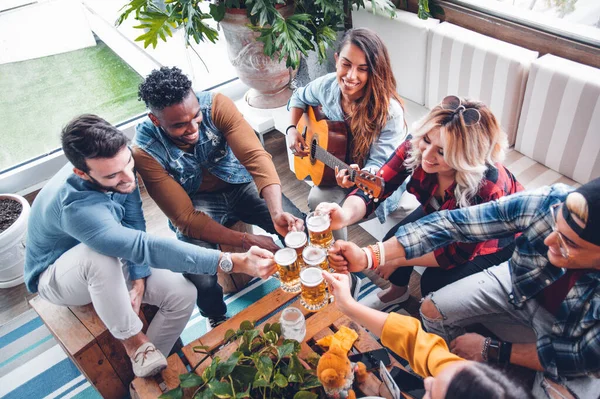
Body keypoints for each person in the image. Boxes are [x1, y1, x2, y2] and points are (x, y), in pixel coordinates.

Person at [24, 115, 277, 378]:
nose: (127, 177)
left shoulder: (119, 165)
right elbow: (143, 246)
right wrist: (231, 261)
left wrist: (138, 275)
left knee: (183, 293)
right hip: (59, 276)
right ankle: (135, 345)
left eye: (127, 164)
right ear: (81, 172)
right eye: (113, 175)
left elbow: (132, 219)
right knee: (97, 259)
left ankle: (149, 372)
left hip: (113, 254)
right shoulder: (76, 208)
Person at [329, 178, 600, 398]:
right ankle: (448, 383)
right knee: (432, 308)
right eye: (555, 224)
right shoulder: (552, 201)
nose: (549, 239)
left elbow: (573, 356)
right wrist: (370, 256)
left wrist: (491, 349)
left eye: (569, 244)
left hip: (570, 341)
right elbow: (456, 224)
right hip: (517, 284)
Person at [132, 67, 304, 326]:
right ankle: (216, 317)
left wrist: (277, 212)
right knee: (198, 272)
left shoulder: (216, 105)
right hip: (195, 202)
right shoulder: (144, 150)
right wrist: (245, 239)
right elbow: (186, 218)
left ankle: (311, 277)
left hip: (239, 182)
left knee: (298, 226)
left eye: (195, 116)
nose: (193, 128)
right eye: (179, 125)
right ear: (155, 120)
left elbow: (255, 158)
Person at [319, 95, 522, 310]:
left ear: (466, 157)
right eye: (427, 140)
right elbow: (379, 186)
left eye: (442, 152)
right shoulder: (416, 146)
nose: (427, 154)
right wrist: (345, 215)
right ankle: (397, 292)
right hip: (441, 211)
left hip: (497, 238)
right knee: (394, 238)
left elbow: (455, 253)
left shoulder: (487, 188)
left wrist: (396, 259)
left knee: (433, 284)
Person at [322, 271, 532, 399]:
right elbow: (417, 343)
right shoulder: (462, 382)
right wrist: (349, 306)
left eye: (432, 394)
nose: (427, 382)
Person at [287, 27, 408, 242]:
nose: (351, 76)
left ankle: (341, 263)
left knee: (320, 201)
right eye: (346, 65)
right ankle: (337, 258)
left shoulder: (389, 113)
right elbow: (299, 97)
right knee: (318, 200)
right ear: (336, 60)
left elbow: (381, 165)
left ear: (374, 71)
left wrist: (356, 177)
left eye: (362, 69)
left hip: (366, 180)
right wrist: (292, 129)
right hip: (334, 169)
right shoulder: (328, 85)